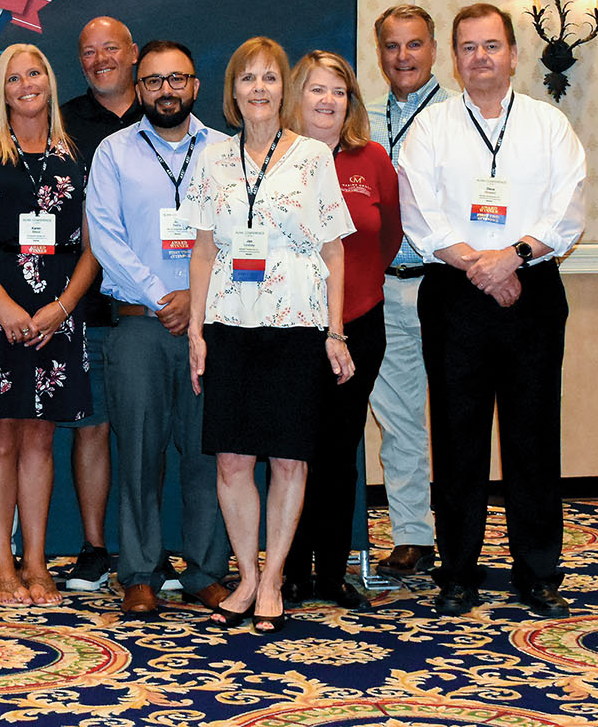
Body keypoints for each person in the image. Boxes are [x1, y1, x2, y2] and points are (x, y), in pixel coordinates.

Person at [397, 3, 586, 618]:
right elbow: (420, 214)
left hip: (532, 292)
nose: (480, 57)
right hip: (455, 296)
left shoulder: (549, 124)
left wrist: (512, 257)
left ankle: (538, 573)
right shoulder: (431, 128)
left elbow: (568, 210)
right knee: (457, 438)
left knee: (534, 436)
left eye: (492, 45)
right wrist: (481, 265)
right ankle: (457, 572)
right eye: (468, 47)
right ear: (454, 57)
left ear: (512, 53)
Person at [185, 36, 354, 635]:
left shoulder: (313, 156)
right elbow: (203, 251)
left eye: (270, 78)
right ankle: (248, 576)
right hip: (230, 325)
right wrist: (197, 332)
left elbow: (334, 247)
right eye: (247, 79)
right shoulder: (211, 158)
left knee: (287, 459)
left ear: (285, 90)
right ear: (232, 91)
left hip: (294, 327)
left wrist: (336, 332)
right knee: (231, 461)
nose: (259, 88)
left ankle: (275, 574)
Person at [0, 43, 98, 607]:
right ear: (0, 89)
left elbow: (94, 244)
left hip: (56, 312)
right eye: (14, 77)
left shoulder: (77, 155)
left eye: (35, 73)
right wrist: (4, 303)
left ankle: (37, 564)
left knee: (40, 439)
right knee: (0, 438)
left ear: (49, 82)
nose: (26, 84)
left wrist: (60, 309)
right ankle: (2, 565)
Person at [84, 40, 231, 616]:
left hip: (210, 325)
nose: (165, 90)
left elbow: (238, 230)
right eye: (152, 81)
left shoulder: (225, 151)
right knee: (139, 454)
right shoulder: (113, 153)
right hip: (140, 326)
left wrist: (194, 298)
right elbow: (105, 236)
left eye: (177, 79)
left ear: (195, 86)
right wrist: (160, 297)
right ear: (138, 88)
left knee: (207, 453)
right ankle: (139, 572)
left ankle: (206, 571)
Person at [282, 50, 402, 610]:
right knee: (292, 451)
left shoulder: (371, 159)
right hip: (293, 328)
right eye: (316, 89)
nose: (328, 100)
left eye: (338, 90)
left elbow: (390, 237)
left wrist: (355, 300)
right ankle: (290, 573)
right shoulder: (274, 159)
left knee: (338, 451)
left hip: (359, 326)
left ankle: (331, 573)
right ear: (294, 97)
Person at [57, 16, 143, 591]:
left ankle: (150, 547)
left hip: (149, 307)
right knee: (90, 428)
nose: (100, 59)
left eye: (111, 48)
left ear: (133, 54)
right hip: (83, 306)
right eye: (88, 51)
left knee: (146, 432)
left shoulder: (168, 114)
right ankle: (93, 547)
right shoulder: (63, 123)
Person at [366, 5, 448, 578]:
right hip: (387, 290)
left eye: (414, 45)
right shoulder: (363, 121)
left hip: (449, 287)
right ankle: (415, 535)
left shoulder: (457, 119)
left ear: (434, 49)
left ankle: (464, 535)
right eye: (392, 46)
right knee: (399, 420)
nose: (403, 57)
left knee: (459, 416)